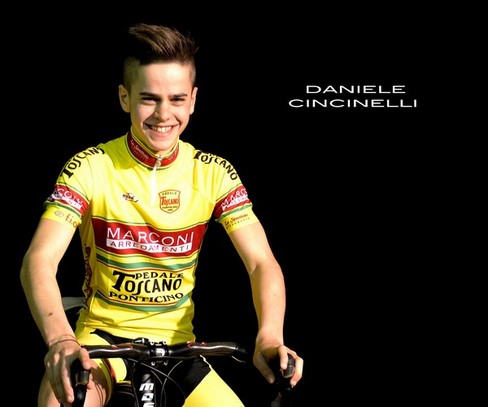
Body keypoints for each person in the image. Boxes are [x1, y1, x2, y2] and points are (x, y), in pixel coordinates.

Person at [20, 23, 303, 407]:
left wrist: (269, 336)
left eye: (176, 99)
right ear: (124, 97)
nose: (163, 114)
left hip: (180, 349)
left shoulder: (214, 172)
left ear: (193, 100)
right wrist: (60, 340)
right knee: (62, 397)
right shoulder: (90, 166)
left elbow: (260, 263)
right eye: (149, 99)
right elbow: (39, 259)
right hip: (102, 342)